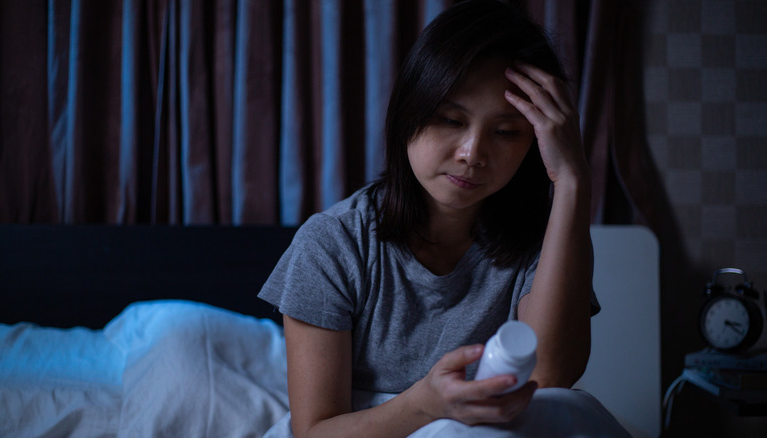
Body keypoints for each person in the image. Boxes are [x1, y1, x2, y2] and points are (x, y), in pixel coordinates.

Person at [259, 1, 621, 436]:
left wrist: (572, 180)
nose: (472, 153)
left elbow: (551, 375)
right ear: (409, 112)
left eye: (506, 132)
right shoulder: (332, 245)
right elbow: (314, 431)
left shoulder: (546, 239)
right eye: (451, 119)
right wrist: (426, 407)